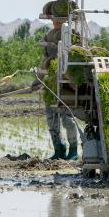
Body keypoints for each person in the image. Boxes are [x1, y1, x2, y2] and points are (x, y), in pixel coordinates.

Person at [36, 14, 81, 160]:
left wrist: (53, 47)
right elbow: (45, 62)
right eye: (54, 20)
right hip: (50, 83)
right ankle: (59, 149)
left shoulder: (72, 34)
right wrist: (37, 80)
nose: (55, 22)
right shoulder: (49, 35)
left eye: (59, 20)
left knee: (67, 119)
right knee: (51, 119)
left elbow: (76, 55)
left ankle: (73, 150)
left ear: (65, 20)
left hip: (67, 83)